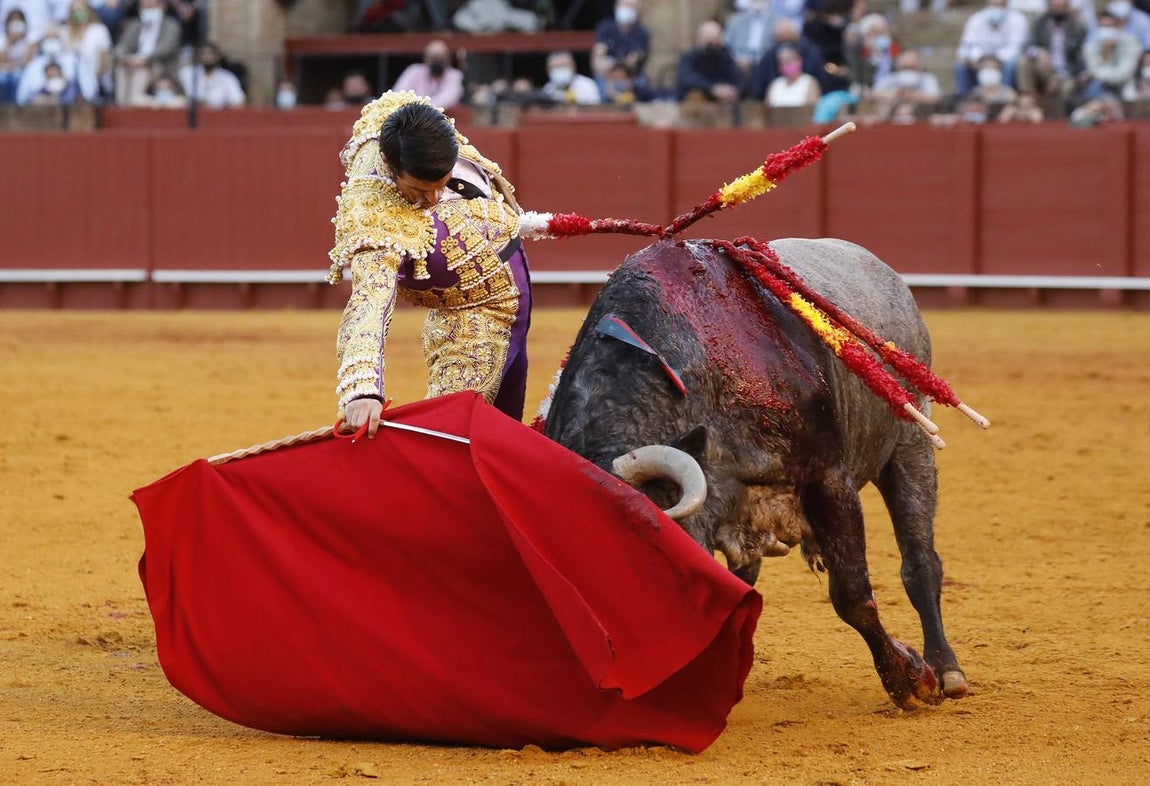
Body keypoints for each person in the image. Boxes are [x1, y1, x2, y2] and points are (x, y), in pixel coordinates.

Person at [329, 91, 532, 435]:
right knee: (450, 437)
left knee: (503, 433)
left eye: (441, 185)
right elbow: (369, 302)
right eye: (419, 190)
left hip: (509, 292)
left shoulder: (410, 127)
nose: (434, 198)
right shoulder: (374, 215)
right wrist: (362, 388)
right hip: (470, 316)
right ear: (390, 167)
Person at [1015, 0, 1089, 104]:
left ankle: (1057, 116)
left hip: (1066, 72)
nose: (1059, 10)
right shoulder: (1040, 24)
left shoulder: (1078, 28)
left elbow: (1080, 59)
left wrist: (1061, 76)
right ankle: (1028, 99)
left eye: (1062, 7)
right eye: (1055, 7)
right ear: (1049, 8)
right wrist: (1039, 53)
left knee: (1066, 88)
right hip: (1044, 68)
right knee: (1024, 62)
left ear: (1068, 8)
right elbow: (1027, 47)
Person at [954, 0, 1030, 96]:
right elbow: (966, 46)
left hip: (1004, 62)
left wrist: (995, 60)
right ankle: (965, 100)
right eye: (993, 5)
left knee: (1012, 64)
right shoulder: (976, 19)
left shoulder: (1018, 20)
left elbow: (1016, 48)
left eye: (999, 5)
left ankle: (1003, 98)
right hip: (980, 62)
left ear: (1006, 4)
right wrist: (980, 60)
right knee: (960, 66)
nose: (995, 8)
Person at [112, 0, 180, 106]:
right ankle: (121, 105)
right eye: (144, 8)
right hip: (132, 63)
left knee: (140, 70)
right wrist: (124, 58)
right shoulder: (134, 25)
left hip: (158, 65)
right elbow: (121, 47)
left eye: (150, 7)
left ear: (161, 6)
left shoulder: (171, 25)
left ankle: (132, 107)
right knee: (122, 68)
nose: (147, 11)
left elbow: (166, 48)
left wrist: (144, 59)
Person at [676, 19, 741, 104]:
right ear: (700, 40)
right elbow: (686, 78)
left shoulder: (724, 56)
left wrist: (729, 90)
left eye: (716, 42)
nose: (713, 47)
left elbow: (737, 78)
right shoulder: (690, 57)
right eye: (709, 42)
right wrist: (712, 88)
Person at [591, 0, 649, 90]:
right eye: (625, 5)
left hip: (630, 77)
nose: (627, 9)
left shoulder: (642, 34)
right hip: (606, 76)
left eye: (631, 6)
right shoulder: (605, 27)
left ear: (638, 10)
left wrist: (616, 67)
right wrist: (614, 68)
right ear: (616, 6)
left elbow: (632, 64)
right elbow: (598, 60)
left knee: (641, 85)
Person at [391, 38, 464, 109]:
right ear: (426, 58)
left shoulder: (455, 75)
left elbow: (448, 98)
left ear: (448, 59)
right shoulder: (414, 71)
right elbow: (398, 94)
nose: (437, 61)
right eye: (433, 58)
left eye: (441, 58)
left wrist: (419, 108)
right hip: (411, 118)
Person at [62, 1, 110, 98]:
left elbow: (104, 60)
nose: (79, 13)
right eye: (75, 11)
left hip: (94, 77)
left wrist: (92, 78)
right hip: (71, 80)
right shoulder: (64, 31)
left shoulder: (99, 30)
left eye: (81, 10)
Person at [177, 40, 244, 107]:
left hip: (217, 114)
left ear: (217, 57)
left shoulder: (227, 78)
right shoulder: (186, 74)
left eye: (210, 54)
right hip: (190, 112)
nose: (207, 57)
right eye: (204, 53)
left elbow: (238, 101)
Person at [0, 9, 36, 102]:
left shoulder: (29, 40)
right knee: (3, 78)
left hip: (22, 71)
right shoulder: (2, 39)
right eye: (13, 20)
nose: (16, 23)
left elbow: (27, 61)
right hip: (5, 71)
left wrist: (13, 66)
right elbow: (1, 60)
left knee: (17, 78)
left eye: (19, 20)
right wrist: (10, 41)